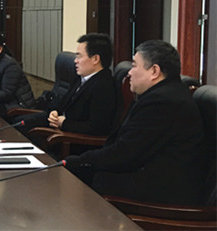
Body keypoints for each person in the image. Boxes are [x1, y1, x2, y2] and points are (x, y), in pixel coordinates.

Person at [65, 40, 206, 205]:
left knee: (90, 178)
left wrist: (80, 161)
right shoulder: (162, 94)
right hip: (152, 176)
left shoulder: (163, 102)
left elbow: (125, 154)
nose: (129, 73)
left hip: (166, 192)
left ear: (154, 71)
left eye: (134, 66)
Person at [14, 33, 116, 137]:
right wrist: (55, 112)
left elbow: (98, 128)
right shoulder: (81, 77)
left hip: (70, 137)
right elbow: (64, 103)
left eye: (79, 56)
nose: (75, 61)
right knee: (17, 124)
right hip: (58, 125)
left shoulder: (103, 86)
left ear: (95, 59)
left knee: (21, 132)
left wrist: (64, 123)